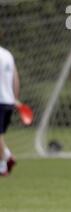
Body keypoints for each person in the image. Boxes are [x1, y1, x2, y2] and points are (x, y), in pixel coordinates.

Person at [0, 38, 19, 177]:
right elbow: (15, 79)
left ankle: (2, 167)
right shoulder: (7, 54)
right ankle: (8, 156)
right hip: (8, 101)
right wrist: (15, 99)